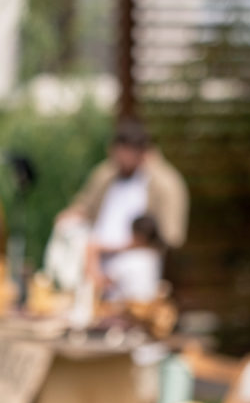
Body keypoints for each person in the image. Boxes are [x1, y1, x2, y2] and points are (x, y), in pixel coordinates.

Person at [58, 119, 188, 288]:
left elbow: (171, 237)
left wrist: (114, 248)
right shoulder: (105, 174)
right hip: (94, 255)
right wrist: (71, 218)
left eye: (128, 152)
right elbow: (84, 206)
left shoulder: (164, 182)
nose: (122, 158)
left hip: (134, 259)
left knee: (137, 264)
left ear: (142, 152)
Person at [101, 214, 165, 303]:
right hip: (148, 305)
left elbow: (105, 280)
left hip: (125, 306)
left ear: (139, 236)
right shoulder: (155, 257)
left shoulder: (129, 258)